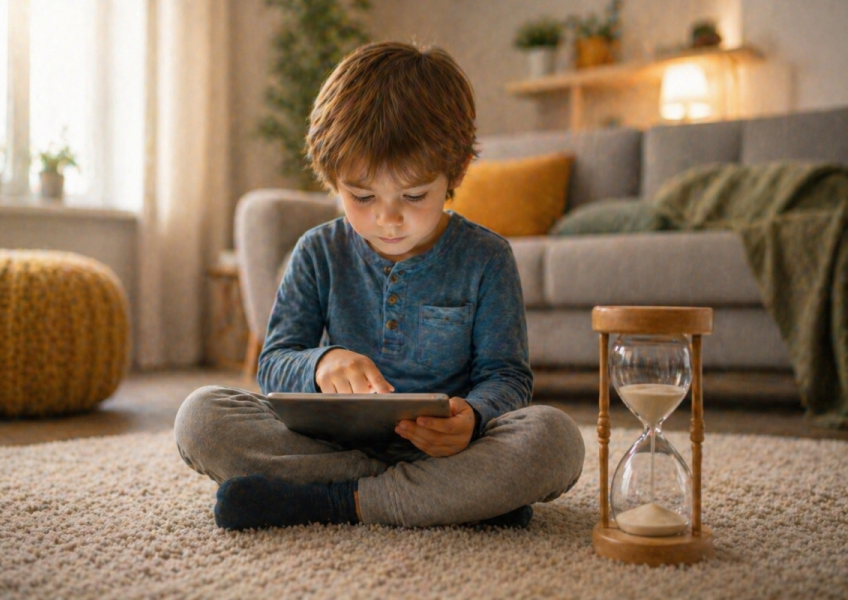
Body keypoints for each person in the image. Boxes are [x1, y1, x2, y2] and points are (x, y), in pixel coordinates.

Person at [174, 41, 585, 529]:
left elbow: (508, 378)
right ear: (333, 181)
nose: (388, 219)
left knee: (555, 438)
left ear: (454, 173)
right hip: (332, 447)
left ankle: (327, 502)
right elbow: (275, 364)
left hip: (449, 451)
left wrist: (473, 417)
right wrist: (322, 363)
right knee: (200, 417)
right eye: (363, 196)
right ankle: (446, 499)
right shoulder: (318, 251)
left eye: (414, 196)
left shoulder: (487, 257)